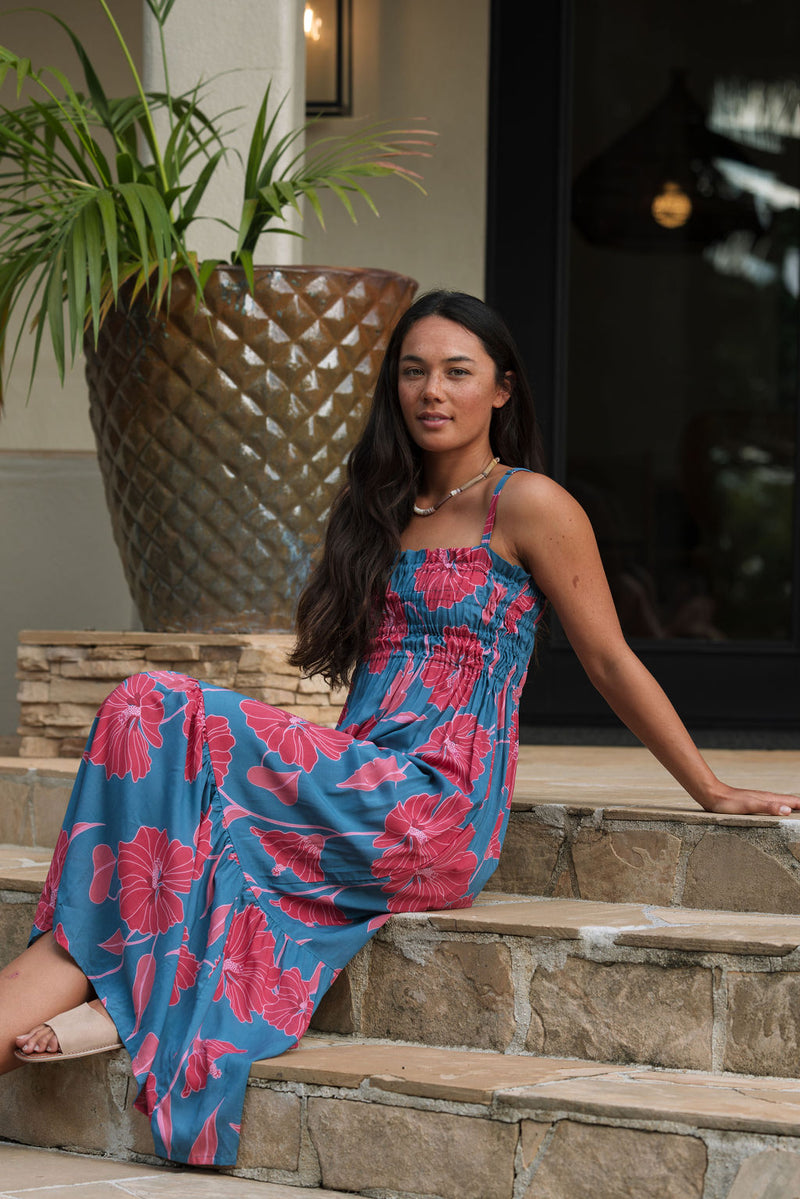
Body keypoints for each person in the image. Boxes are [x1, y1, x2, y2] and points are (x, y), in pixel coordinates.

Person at [1, 290, 798, 1167]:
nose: (432, 390)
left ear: (502, 388)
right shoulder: (377, 507)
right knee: (162, 777)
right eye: (414, 370)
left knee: (150, 706)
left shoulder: (528, 504)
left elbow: (609, 660)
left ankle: (112, 992)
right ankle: (100, 986)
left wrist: (710, 786)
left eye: (458, 371)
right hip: (363, 782)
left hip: (437, 808)